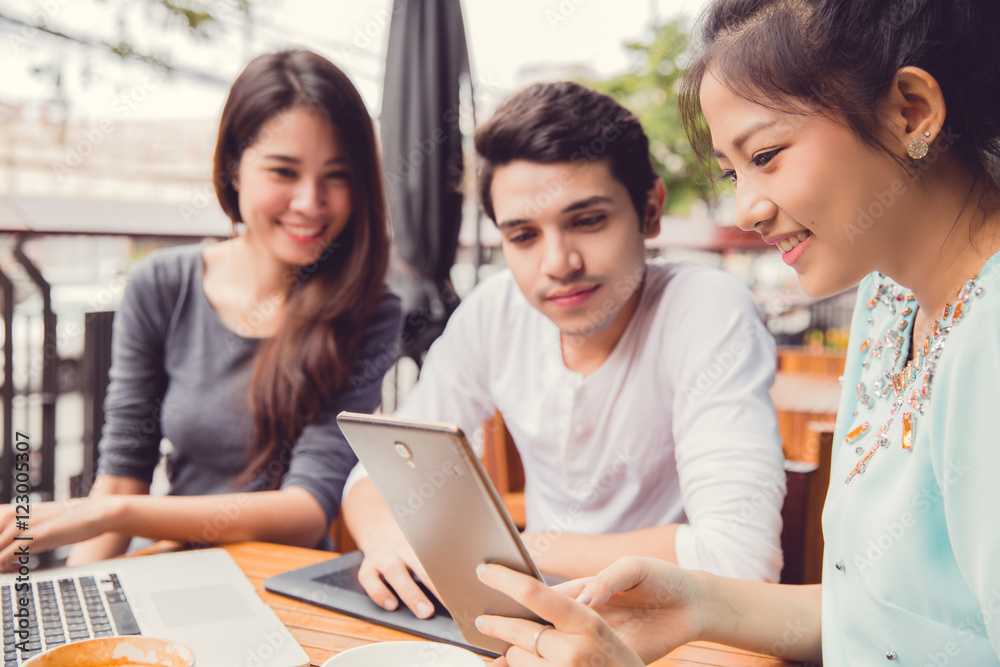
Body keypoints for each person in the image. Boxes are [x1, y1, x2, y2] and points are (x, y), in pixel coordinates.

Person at [472, 0, 1000, 665]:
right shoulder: (890, 295)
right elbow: (888, 614)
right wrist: (700, 604)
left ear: (911, 111)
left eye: (767, 154)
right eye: (731, 171)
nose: (745, 208)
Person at [341, 80, 787, 621]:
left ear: (649, 210)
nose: (558, 263)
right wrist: (391, 539)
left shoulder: (706, 308)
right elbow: (381, 466)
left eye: (588, 220)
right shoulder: (494, 310)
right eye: (524, 236)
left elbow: (738, 562)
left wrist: (508, 552)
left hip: (667, 621)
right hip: (528, 614)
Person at [0, 49, 401, 568]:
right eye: (283, 171)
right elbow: (123, 469)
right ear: (234, 170)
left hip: (282, 581)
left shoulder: (369, 309)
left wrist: (112, 512)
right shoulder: (162, 284)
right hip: (169, 565)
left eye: (337, 176)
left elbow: (307, 510)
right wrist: (77, 600)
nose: (310, 201)